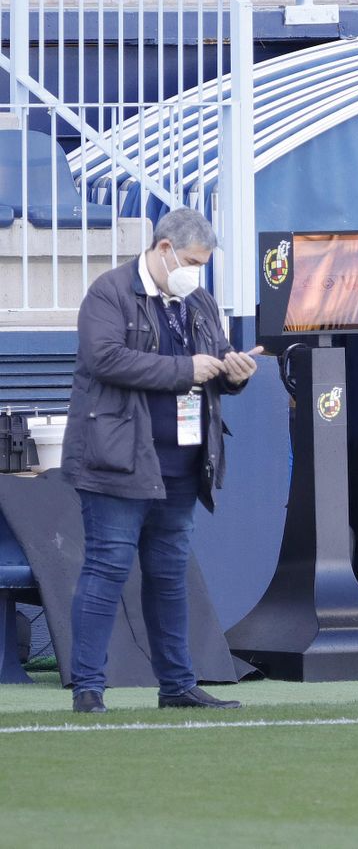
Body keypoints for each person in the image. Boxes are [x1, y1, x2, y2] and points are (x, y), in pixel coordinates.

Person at [61, 208, 263, 713]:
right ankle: (88, 688)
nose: (198, 271)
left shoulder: (198, 300)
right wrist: (185, 368)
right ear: (165, 248)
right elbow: (103, 357)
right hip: (117, 460)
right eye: (193, 260)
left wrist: (235, 372)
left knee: (170, 577)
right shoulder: (109, 291)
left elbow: (213, 362)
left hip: (180, 463)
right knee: (106, 569)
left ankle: (176, 685)